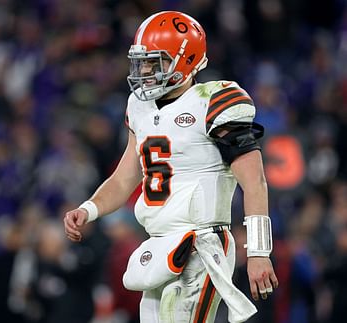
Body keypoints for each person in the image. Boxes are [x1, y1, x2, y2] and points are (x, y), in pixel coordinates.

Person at [63, 11, 278, 323]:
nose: (146, 71)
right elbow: (125, 177)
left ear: (187, 60)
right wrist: (90, 208)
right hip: (158, 244)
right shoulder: (139, 106)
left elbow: (255, 181)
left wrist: (259, 251)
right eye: (143, 62)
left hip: (202, 243)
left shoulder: (212, 100)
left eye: (156, 62)